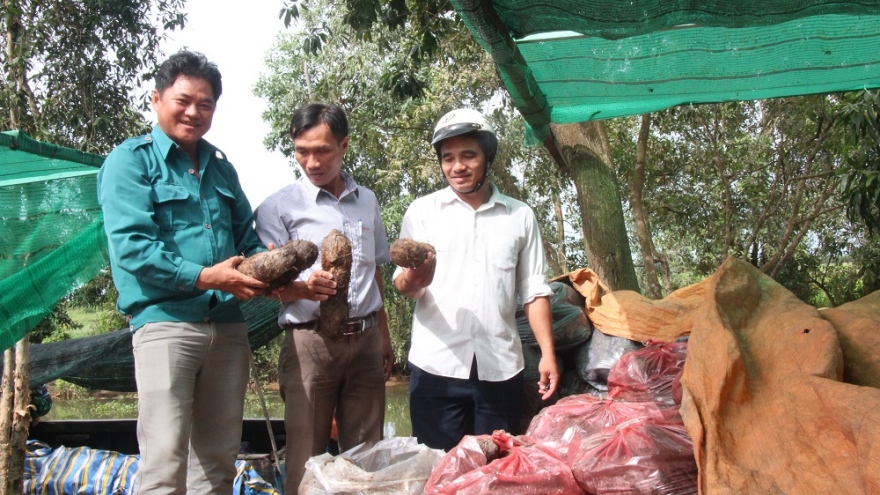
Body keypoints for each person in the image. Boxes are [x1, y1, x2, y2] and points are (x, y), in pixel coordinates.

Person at [97, 50, 268, 494]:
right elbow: (134, 249)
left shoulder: (222, 168)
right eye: (183, 100)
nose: (195, 112)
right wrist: (208, 277)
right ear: (156, 99)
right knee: (164, 459)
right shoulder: (130, 162)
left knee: (216, 460)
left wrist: (281, 278)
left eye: (206, 103)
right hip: (165, 325)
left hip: (228, 328)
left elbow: (246, 240)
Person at [393, 108, 560, 451]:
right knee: (438, 471)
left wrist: (547, 353)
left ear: (488, 157)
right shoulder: (422, 212)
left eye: (468, 155)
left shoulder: (520, 216)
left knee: (495, 471)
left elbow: (534, 291)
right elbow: (403, 285)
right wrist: (413, 279)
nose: (458, 166)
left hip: (500, 368)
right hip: (435, 366)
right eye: (448, 158)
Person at [253, 103, 394, 492]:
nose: (311, 161)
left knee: (367, 456)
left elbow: (374, 271)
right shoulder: (277, 207)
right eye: (301, 151)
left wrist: (383, 335)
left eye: (322, 151)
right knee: (306, 457)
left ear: (344, 145)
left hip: (365, 341)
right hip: (309, 344)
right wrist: (301, 288)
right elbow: (264, 285)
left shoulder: (367, 201)